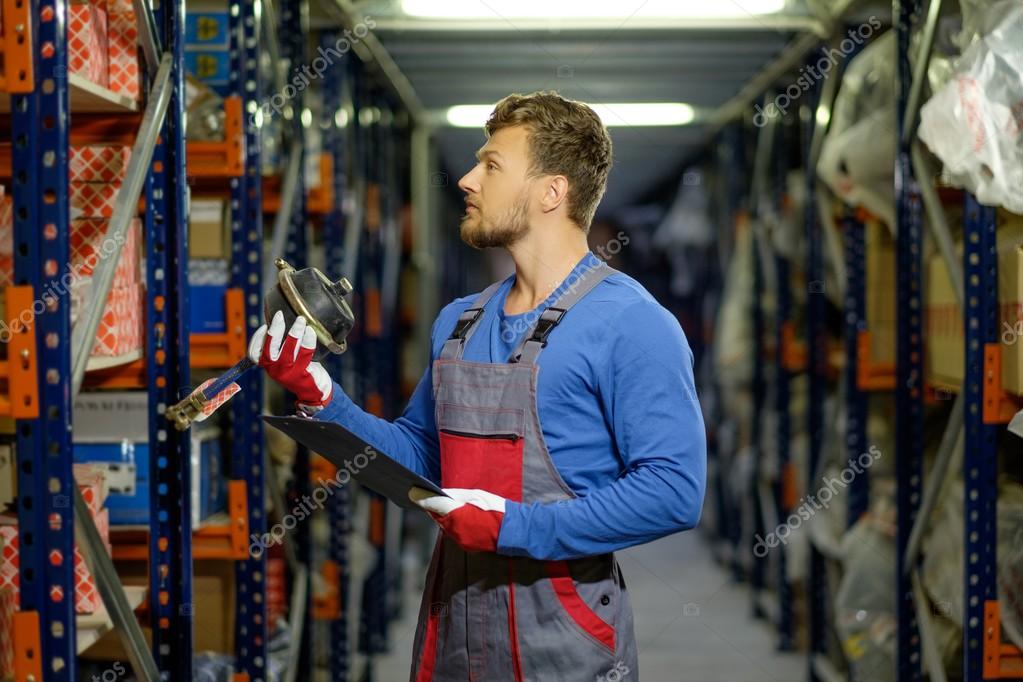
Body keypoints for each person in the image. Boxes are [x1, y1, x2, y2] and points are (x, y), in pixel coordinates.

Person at [250, 91, 707, 682]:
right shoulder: (460, 322)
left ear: (552, 192)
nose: (467, 179)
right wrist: (320, 396)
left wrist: (514, 528)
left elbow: (673, 490)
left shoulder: (632, 323)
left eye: (492, 165)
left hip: (561, 638)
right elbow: (420, 460)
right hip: (453, 631)